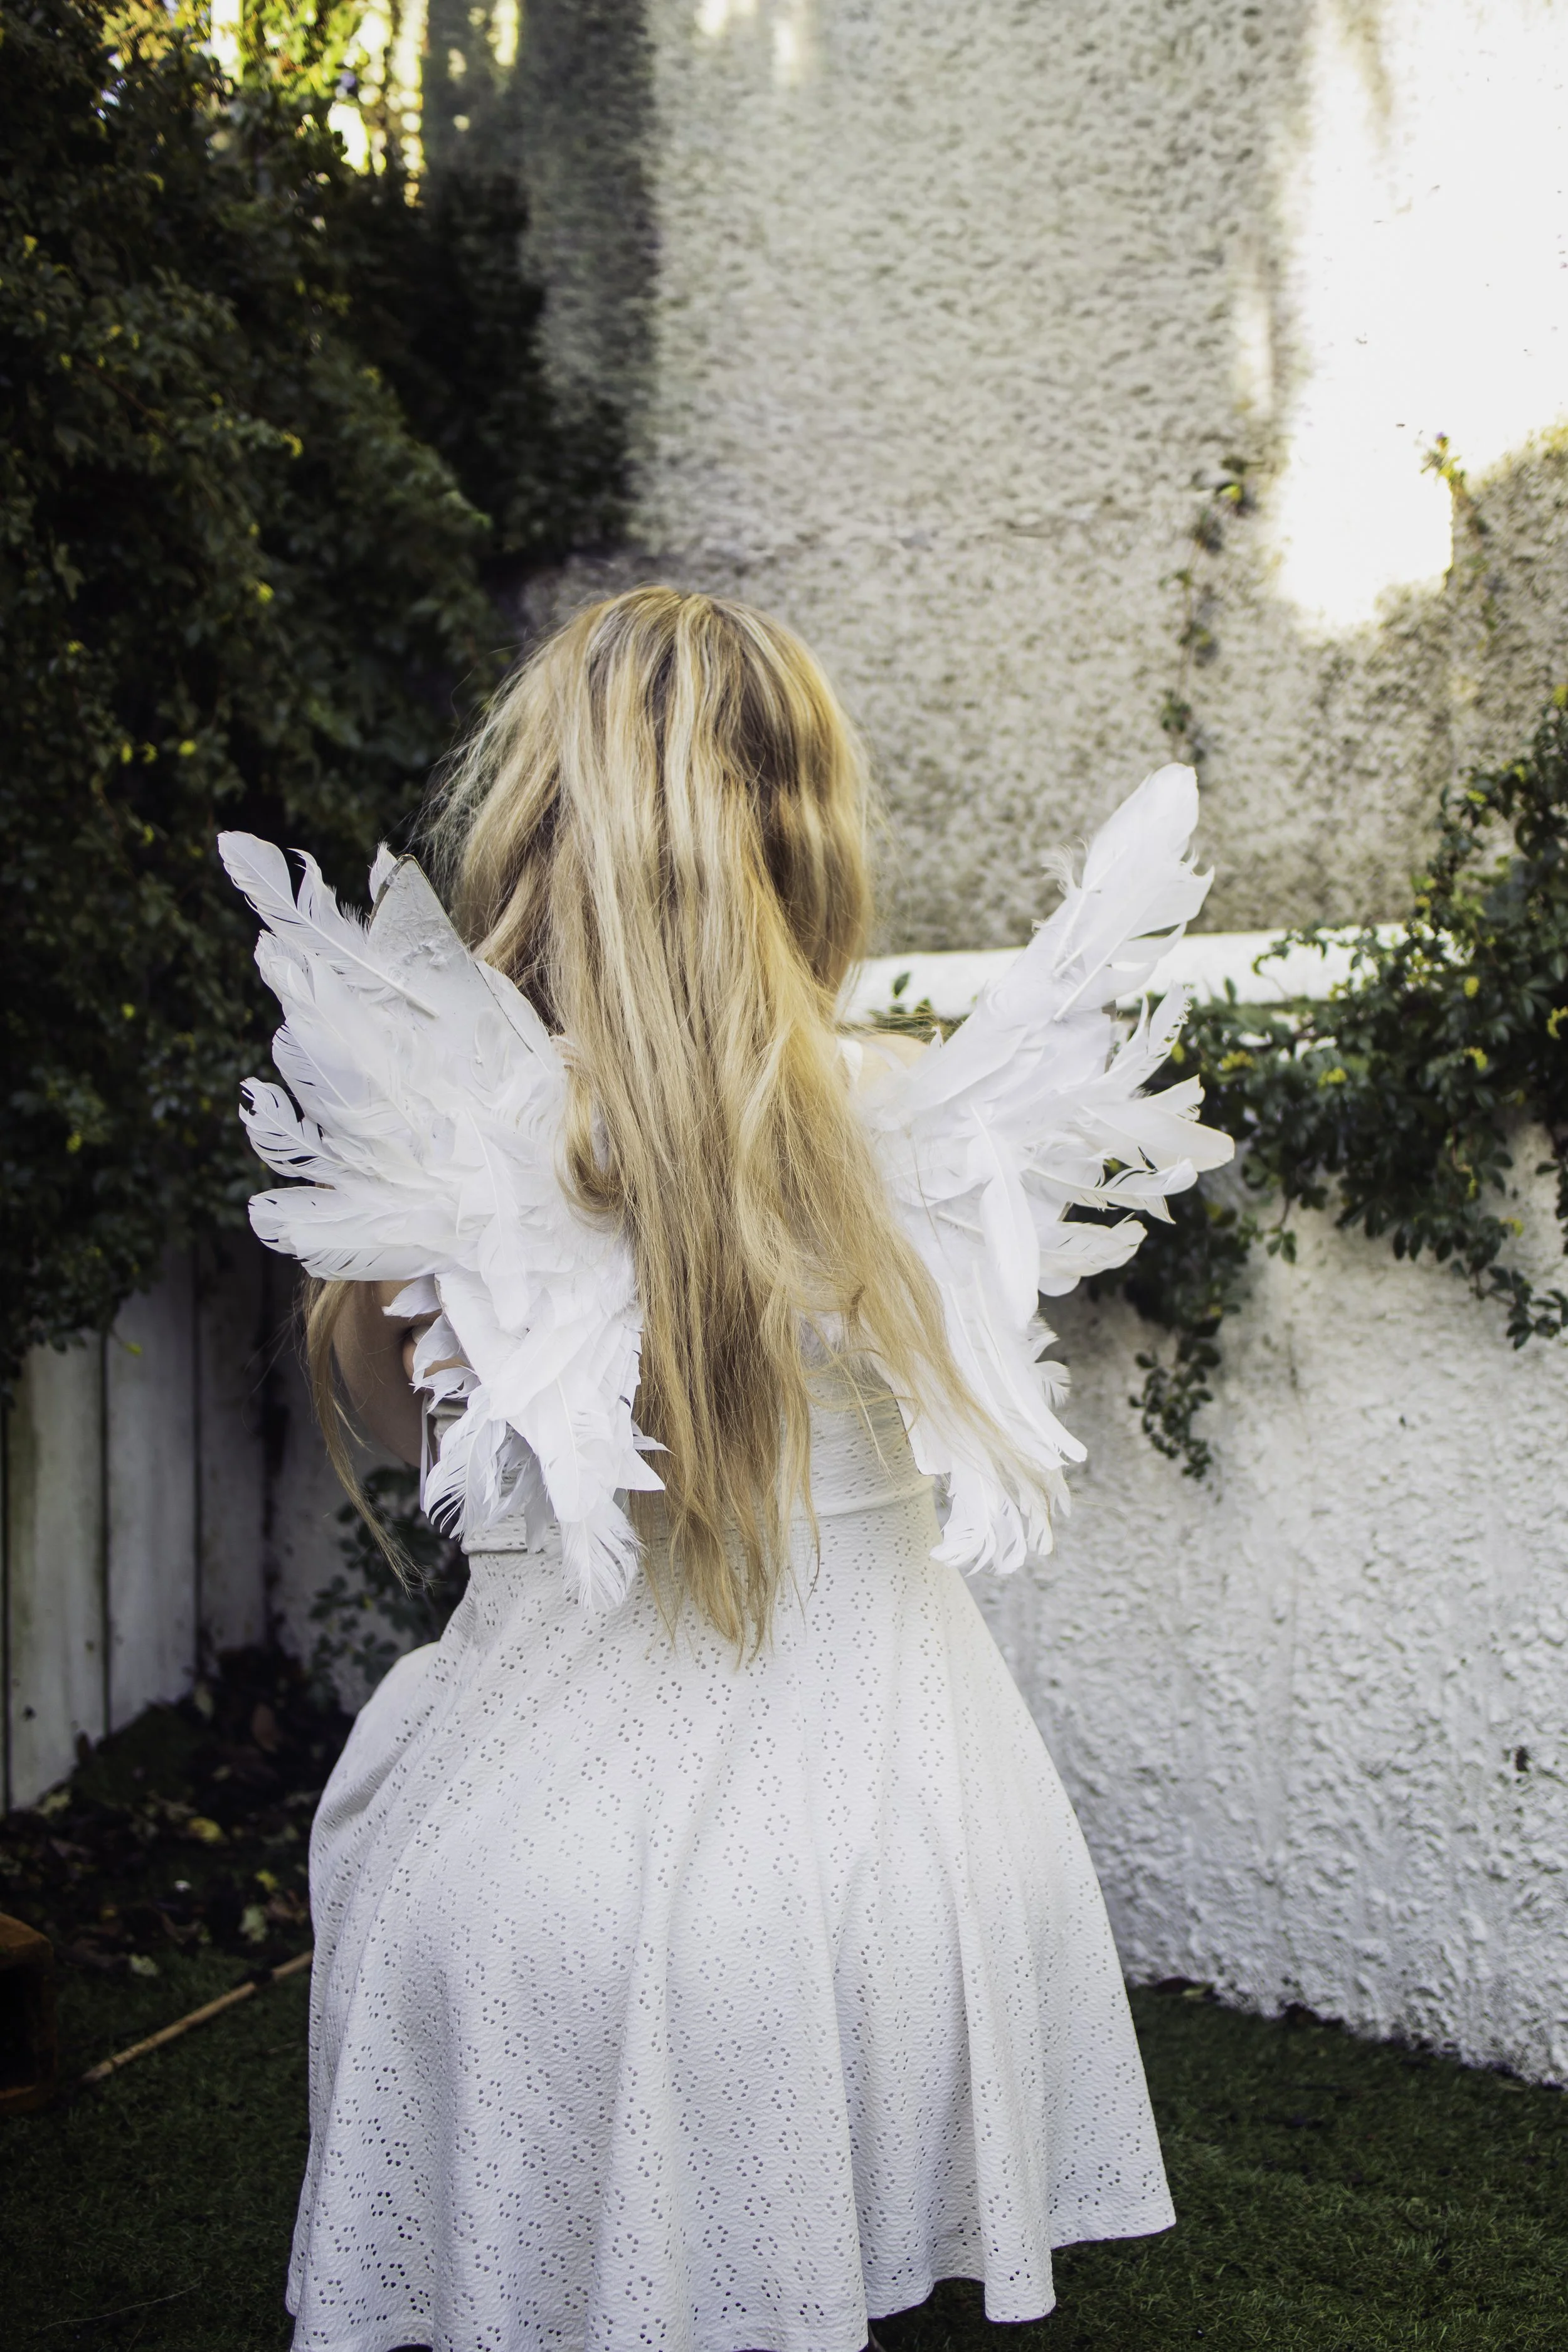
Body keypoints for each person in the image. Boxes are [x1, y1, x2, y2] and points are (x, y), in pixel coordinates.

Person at [221, 586, 1231, 2352]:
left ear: (536, 825)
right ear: (809, 832)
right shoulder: (927, 1125)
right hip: (919, 1861)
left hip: (542, 1880)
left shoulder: (442, 1159)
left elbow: (414, 1447)